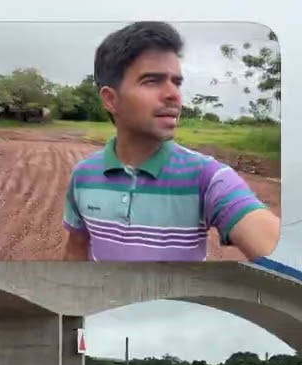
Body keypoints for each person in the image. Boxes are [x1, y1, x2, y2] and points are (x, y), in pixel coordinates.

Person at [62, 21, 280, 261]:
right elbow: (76, 249)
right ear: (111, 100)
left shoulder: (207, 178)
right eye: (152, 81)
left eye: (176, 82)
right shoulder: (83, 176)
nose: (174, 95)